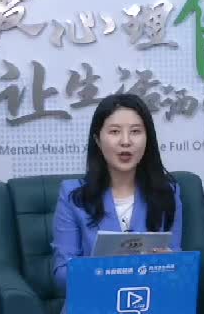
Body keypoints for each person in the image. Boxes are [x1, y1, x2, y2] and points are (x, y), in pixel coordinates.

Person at [51, 93, 182, 289]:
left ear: (147, 139)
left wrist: (170, 263)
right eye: (114, 131)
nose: (126, 141)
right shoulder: (73, 196)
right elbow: (61, 274)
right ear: (97, 139)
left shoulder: (168, 193)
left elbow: (178, 264)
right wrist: (108, 269)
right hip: (93, 303)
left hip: (150, 301)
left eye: (135, 131)